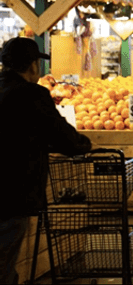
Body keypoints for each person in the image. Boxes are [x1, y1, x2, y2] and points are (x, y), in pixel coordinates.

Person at [0, 37, 92, 284]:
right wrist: (83, 145)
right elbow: (62, 136)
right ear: (32, 66)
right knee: (4, 262)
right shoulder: (33, 95)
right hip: (13, 193)